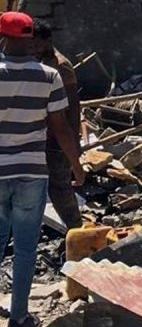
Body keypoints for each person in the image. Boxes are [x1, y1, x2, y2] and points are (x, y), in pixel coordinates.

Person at [0, 12, 85, 327]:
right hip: (32, 172)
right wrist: (76, 165)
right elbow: (61, 128)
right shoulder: (49, 76)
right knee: (25, 249)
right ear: (30, 39)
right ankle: (19, 320)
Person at [32, 21, 82, 230]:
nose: (34, 49)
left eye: (37, 44)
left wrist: (74, 142)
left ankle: (76, 229)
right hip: (40, 136)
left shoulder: (60, 66)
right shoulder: (36, 61)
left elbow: (73, 107)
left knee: (60, 188)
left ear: (49, 41)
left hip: (57, 139)